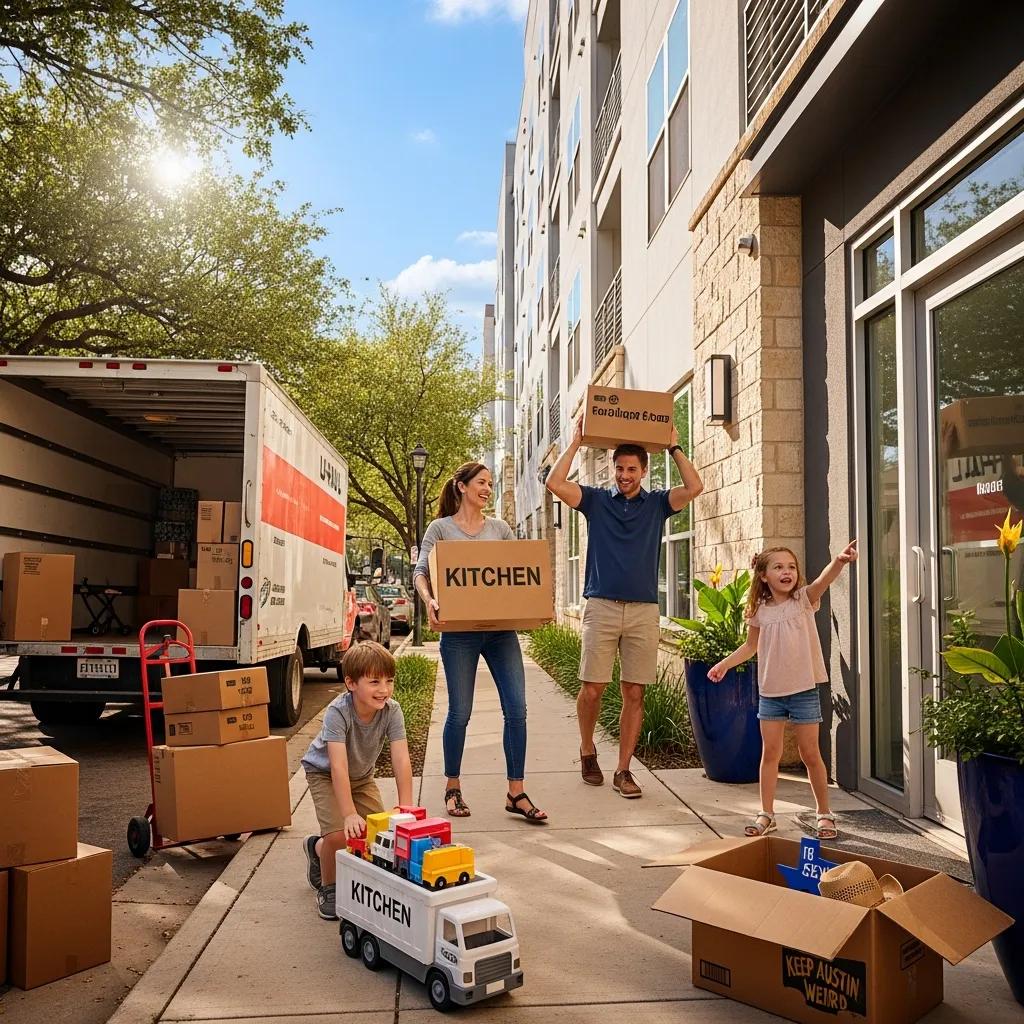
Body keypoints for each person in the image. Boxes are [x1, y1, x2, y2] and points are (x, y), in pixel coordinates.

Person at [545, 416, 703, 799]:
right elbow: (554, 483)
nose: (624, 475)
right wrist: (577, 442)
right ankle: (587, 750)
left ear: (644, 471)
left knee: (634, 692)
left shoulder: (658, 505)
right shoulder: (597, 502)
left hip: (643, 611)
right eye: (619, 468)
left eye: (631, 469)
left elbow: (695, 486)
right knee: (593, 689)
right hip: (600, 606)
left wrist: (673, 446)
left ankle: (623, 770)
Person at [413, 461, 548, 824]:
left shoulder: (501, 529)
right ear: (462, 486)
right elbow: (421, 572)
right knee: (461, 712)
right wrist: (430, 600)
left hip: (501, 631)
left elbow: (519, 573)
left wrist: (536, 606)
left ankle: (515, 792)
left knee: (517, 709)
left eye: (491, 484)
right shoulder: (440, 529)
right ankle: (452, 786)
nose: (487, 489)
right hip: (459, 634)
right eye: (481, 483)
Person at [707, 542, 858, 840]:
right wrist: (724, 664)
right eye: (778, 567)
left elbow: (823, 581)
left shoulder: (803, 600)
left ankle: (824, 814)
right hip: (771, 693)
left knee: (810, 753)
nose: (786, 571)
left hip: (803, 690)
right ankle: (767, 814)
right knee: (770, 754)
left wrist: (839, 561)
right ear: (763, 575)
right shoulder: (759, 611)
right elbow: (750, 647)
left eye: (791, 566)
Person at [300, 640, 412, 920]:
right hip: (324, 774)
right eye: (374, 681)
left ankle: (315, 847)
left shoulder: (392, 711)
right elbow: (337, 766)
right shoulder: (338, 712)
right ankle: (329, 886)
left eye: (389, 680)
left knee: (376, 834)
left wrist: (408, 807)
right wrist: (348, 813)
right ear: (351, 683)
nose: (384, 689)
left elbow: (401, 758)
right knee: (339, 835)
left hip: (361, 778)